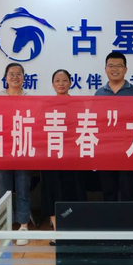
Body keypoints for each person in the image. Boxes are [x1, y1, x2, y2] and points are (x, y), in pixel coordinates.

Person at [41, 69, 87, 244]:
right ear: (53, 84)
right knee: (53, 191)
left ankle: (75, 229)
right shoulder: (46, 104)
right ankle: (56, 230)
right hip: (51, 155)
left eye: (65, 80)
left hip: (73, 155)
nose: (61, 83)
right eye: (57, 80)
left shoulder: (77, 104)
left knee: (74, 190)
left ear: (70, 83)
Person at [95, 52, 133, 201]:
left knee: (128, 191)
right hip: (106, 150)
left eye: (119, 66)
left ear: (125, 69)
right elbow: (95, 122)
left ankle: (129, 217)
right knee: (108, 191)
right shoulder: (99, 93)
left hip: (129, 149)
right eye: (111, 66)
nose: (115, 69)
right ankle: (109, 217)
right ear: (105, 69)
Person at [0, 62, 32, 245]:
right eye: (11, 74)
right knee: (3, 190)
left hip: (24, 148)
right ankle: (5, 226)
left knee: (23, 188)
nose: (15, 77)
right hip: (2, 149)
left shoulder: (30, 98)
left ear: (24, 78)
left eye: (19, 74)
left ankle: (23, 226)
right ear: (5, 77)